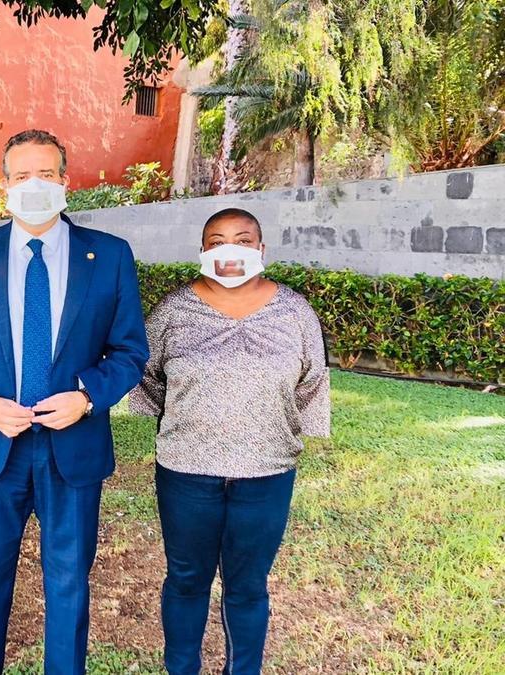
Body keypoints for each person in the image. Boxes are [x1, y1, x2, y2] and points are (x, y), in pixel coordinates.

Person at [0, 129, 149, 674]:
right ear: (5, 184)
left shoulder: (111, 256)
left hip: (71, 448)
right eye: (22, 175)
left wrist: (86, 397)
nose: (34, 185)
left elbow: (128, 351)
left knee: (70, 581)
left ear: (65, 181)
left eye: (46, 173)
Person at [130, 207, 331, 675]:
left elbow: (310, 383)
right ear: (203, 252)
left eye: (242, 239)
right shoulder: (173, 310)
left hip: (266, 473)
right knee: (185, 580)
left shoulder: (294, 311)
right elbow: (148, 379)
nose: (230, 250)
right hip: (186, 473)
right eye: (217, 240)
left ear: (261, 250)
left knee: (248, 587)